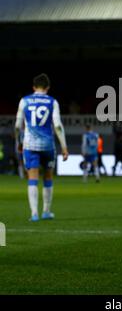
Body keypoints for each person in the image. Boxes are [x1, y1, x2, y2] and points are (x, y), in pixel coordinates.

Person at [15, 73, 68, 221]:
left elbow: (17, 125)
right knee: (48, 176)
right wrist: (64, 147)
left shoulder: (24, 101)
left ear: (33, 87)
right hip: (47, 145)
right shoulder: (52, 102)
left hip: (30, 144)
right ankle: (46, 211)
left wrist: (19, 142)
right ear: (48, 87)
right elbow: (57, 126)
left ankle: (34, 214)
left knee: (32, 178)